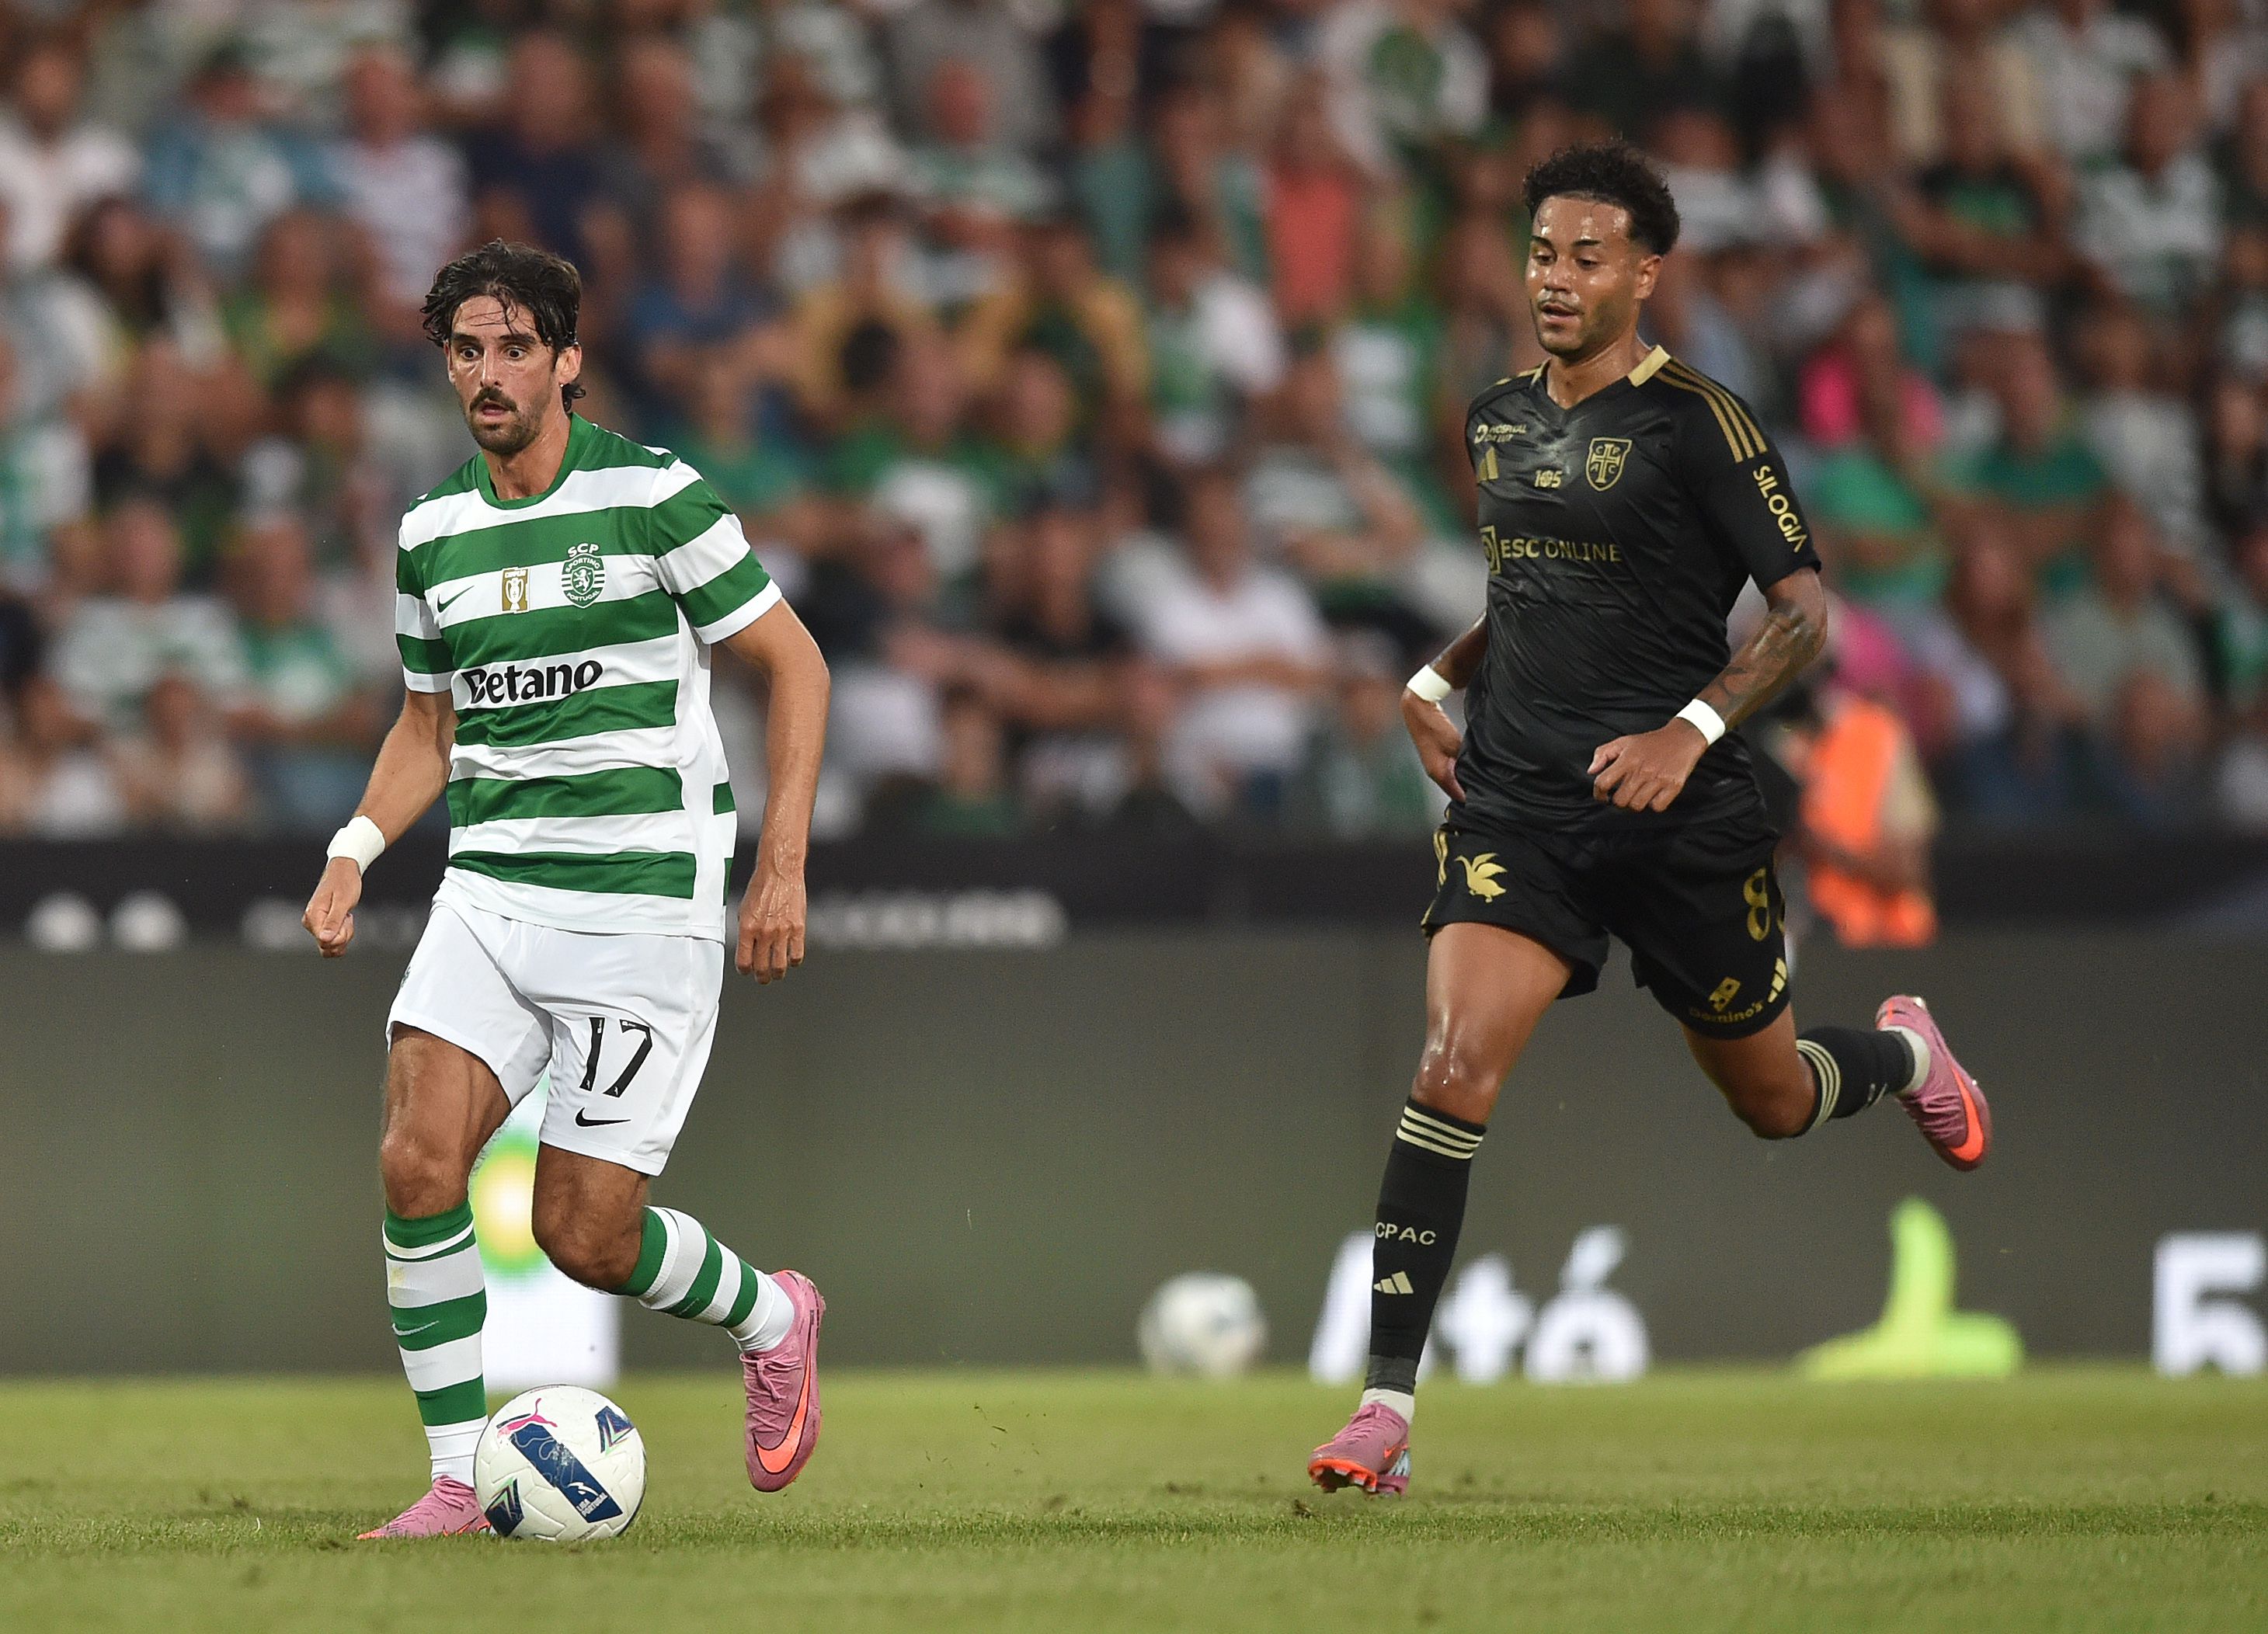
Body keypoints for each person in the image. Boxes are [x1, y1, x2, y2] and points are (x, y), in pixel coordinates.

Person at [1306, 144, 1994, 1499]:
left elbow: (1804, 612)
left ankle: (1907, 1056)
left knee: (1773, 1099)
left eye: (1587, 256)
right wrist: (1437, 679)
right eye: (1541, 254)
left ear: (1644, 275)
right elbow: (1534, 587)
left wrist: (1692, 733)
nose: (1555, 279)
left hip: (1679, 812)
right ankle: (1384, 1414)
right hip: (1521, 802)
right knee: (1450, 1066)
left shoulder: (1702, 425)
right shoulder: (1497, 418)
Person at [298, 242, 833, 1538]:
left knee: (583, 1237)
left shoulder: (656, 498)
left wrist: (780, 865)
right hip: (490, 892)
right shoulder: (431, 534)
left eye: (515, 348)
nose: (489, 374)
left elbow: (798, 665)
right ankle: (452, 1479)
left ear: (567, 360)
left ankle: (775, 1316)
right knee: (416, 1161)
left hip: (641, 904)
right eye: (467, 351)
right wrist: (353, 849)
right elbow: (428, 725)